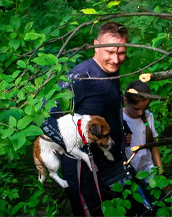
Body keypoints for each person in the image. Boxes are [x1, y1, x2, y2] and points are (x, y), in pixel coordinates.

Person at [40, 22, 131, 216]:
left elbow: (107, 106)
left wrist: (123, 128)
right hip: (83, 168)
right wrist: (73, 146)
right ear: (96, 45)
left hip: (111, 161)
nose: (115, 59)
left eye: (121, 53)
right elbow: (43, 113)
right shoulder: (80, 77)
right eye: (109, 52)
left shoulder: (112, 71)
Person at [123, 80, 164, 210]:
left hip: (148, 169)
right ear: (125, 101)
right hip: (129, 173)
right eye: (137, 108)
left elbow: (153, 145)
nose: (141, 113)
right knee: (142, 207)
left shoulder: (148, 117)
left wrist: (160, 171)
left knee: (160, 203)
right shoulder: (119, 118)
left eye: (144, 108)